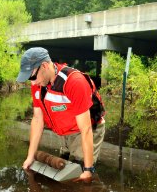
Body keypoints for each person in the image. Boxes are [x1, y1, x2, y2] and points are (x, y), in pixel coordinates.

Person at [17, 47, 105, 183]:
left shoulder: (74, 82)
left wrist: (88, 169)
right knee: (64, 170)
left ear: (45, 66)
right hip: (65, 132)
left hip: (86, 129)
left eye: (32, 76)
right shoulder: (38, 84)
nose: (32, 83)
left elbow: (86, 129)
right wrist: (30, 156)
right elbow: (37, 120)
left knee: (79, 174)